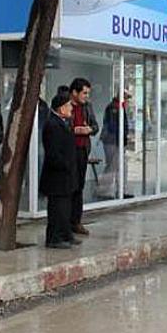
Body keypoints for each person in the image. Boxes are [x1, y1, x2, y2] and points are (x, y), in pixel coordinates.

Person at [40, 93, 80, 249]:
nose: (71, 108)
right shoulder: (52, 125)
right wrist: (65, 165)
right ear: (62, 108)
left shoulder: (63, 122)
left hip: (66, 175)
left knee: (65, 208)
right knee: (57, 209)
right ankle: (54, 238)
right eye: (69, 106)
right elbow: (53, 153)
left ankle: (66, 234)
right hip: (57, 176)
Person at [69, 78, 99, 236]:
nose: (86, 96)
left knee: (79, 186)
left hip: (82, 150)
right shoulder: (66, 106)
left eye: (88, 93)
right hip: (69, 150)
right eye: (84, 93)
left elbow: (96, 126)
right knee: (69, 185)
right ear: (74, 92)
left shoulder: (87, 107)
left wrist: (89, 129)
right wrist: (74, 130)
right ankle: (66, 221)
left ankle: (76, 221)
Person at [99, 90, 131, 198]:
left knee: (121, 166)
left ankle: (122, 190)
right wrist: (121, 140)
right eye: (126, 98)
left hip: (118, 141)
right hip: (112, 142)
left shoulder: (119, 107)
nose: (127, 101)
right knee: (112, 166)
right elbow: (113, 127)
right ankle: (104, 191)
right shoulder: (113, 108)